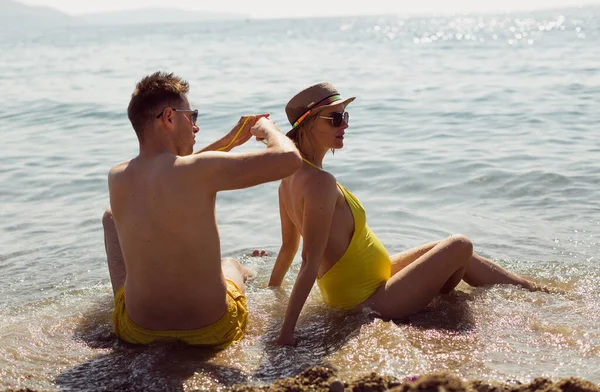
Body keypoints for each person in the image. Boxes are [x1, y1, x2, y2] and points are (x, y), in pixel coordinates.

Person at [268, 82, 546, 346]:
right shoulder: (320, 183)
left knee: (456, 253)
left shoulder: (290, 178)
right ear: (308, 124)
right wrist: (286, 332)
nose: (346, 124)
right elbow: (307, 259)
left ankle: (533, 291)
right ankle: (525, 296)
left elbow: (287, 247)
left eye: (345, 116)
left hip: (369, 281)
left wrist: (273, 298)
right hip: (368, 300)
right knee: (460, 245)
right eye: (335, 119)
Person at [103, 71, 301, 348]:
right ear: (169, 117)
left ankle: (133, 299)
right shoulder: (197, 171)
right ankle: (250, 270)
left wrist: (230, 141)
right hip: (211, 330)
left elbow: (173, 175)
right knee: (231, 265)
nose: (196, 127)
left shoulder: (117, 175)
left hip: (137, 331)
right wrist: (268, 129)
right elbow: (290, 159)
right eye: (192, 116)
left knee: (111, 217)